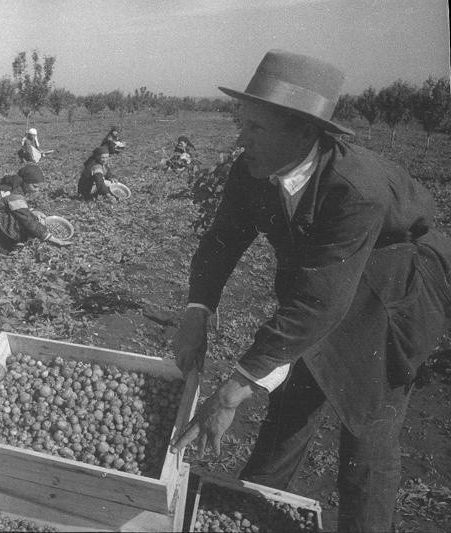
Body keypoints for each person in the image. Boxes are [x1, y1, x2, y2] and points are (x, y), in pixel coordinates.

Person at [170, 50, 451, 532]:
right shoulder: (250, 171)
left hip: (390, 290)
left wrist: (233, 389)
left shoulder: (353, 187)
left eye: (256, 128)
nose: (242, 138)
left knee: (367, 431)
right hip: (326, 280)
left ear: (303, 131)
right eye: (244, 123)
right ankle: (250, 503)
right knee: (292, 400)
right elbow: (222, 241)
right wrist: (198, 311)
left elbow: (319, 302)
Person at [0, 164, 72, 252]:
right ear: (25, 183)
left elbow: (11, 206)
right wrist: (54, 239)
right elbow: (29, 221)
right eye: (35, 186)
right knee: (21, 223)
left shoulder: (11, 186)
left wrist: (32, 211)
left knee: (23, 217)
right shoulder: (16, 196)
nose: (37, 190)